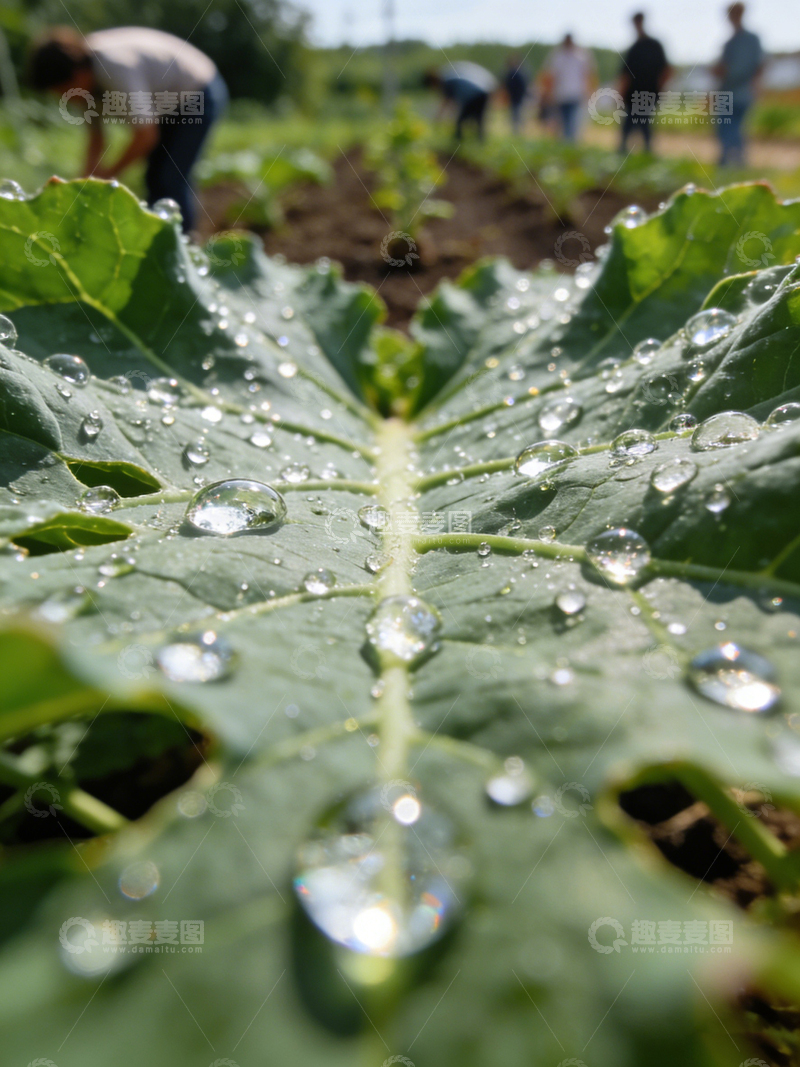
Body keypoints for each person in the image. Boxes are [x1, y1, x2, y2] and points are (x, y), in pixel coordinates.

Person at [28, 26, 228, 231]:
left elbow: (146, 135)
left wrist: (109, 175)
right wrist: (83, 184)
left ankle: (184, 246)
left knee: (170, 178)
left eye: (63, 91)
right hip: (167, 101)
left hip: (198, 91)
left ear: (78, 75)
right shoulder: (87, 83)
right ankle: (162, 240)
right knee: (154, 177)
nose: (65, 98)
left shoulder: (115, 68)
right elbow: (96, 138)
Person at [713, 2, 763, 165]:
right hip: (743, 93)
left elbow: (722, 70)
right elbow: (759, 66)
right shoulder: (750, 40)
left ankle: (728, 163)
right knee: (735, 129)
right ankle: (737, 162)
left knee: (728, 129)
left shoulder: (733, 43)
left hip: (733, 93)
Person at [618, 12, 670, 153]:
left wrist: (661, 89)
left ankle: (643, 152)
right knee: (633, 125)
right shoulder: (635, 48)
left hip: (647, 94)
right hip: (634, 95)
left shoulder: (653, 46)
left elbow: (667, 70)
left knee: (641, 124)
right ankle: (630, 152)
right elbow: (625, 75)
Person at [542, 34, 596, 142]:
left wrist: (589, 93)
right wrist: (548, 94)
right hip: (560, 96)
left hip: (575, 95)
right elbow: (551, 77)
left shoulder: (580, 56)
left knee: (572, 124)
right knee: (561, 124)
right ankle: (566, 145)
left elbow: (587, 76)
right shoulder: (558, 56)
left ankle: (569, 145)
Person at [425, 61, 498, 141]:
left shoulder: (446, 81)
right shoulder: (449, 75)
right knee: (479, 120)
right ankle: (480, 142)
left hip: (473, 96)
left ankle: (458, 142)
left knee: (460, 122)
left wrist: (437, 120)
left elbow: (446, 103)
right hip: (483, 92)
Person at [504, 54, 529, 134]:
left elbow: (508, 85)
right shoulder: (521, 73)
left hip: (515, 98)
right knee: (518, 115)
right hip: (518, 97)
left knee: (516, 115)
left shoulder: (513, 73)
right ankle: (518, 131)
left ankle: (517, 132)